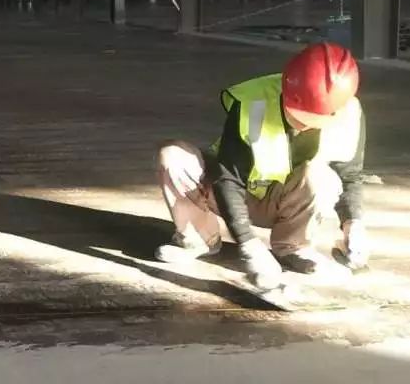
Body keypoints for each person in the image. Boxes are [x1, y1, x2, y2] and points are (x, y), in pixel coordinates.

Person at [154, 42, 369, 290]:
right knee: (173, 157)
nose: (305, 127)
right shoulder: (253, 103)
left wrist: (353, 224)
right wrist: (248, 243)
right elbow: (228, 179)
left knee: (323, 178)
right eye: (299, 118)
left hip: (288, 203)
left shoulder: (348, 112)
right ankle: (199, 237)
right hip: (229, 194)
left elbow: (350, 175)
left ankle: (293, 247)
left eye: (315, 122)